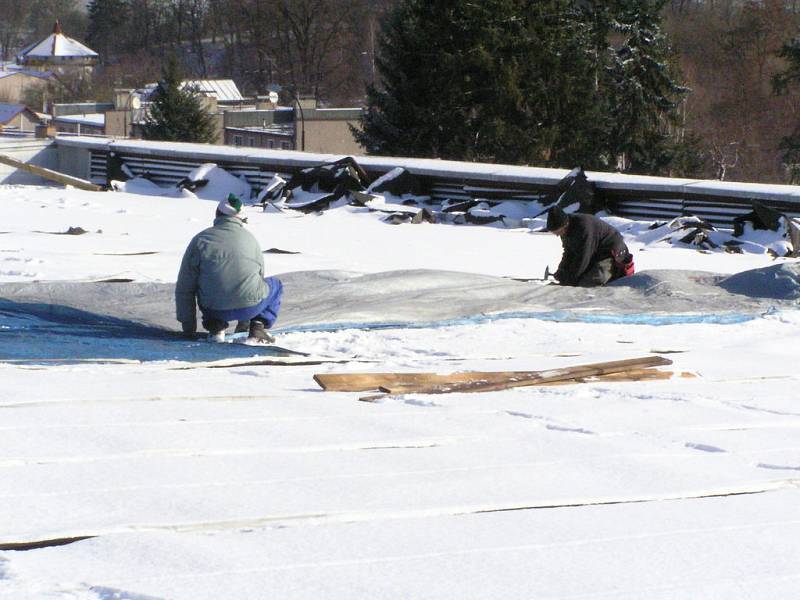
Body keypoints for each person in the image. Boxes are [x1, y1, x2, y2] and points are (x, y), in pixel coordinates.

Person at [176, 193, 283, 343]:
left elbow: (185, 286)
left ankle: (216, 327)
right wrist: (244, 321)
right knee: (275, 286)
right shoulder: (250, 239)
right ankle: (258, 326)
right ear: (240, 218)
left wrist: (189, 328)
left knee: (205, 285)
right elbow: (258, 278)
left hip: (213, 309)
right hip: (251, 307)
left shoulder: (200, 240)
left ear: (217, 214)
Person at [546, 205, 634, 287]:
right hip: (595, 253)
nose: (557, 235)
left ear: (565, 225)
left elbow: (583, 257)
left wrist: (569, 282)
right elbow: (569, 252)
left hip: (611, 253)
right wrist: (562, 271)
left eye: (558, 232)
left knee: (586, 284)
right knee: (575, 278)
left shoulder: (583, 228)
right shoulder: (565, 230)